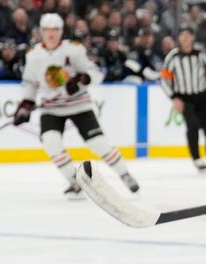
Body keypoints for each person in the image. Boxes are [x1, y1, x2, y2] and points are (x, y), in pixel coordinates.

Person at [13, 14, 140, 198]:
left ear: (61, 31)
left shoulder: (74, 50)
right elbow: (31, 83)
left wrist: (80, 80)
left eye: (55, 30)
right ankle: (74, 180)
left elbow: (95, 73)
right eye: (47, 30)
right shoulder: (33, 56)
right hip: (51, 108)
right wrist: (25, 105)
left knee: (98, 143)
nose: (51, 34)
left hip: (79, 105)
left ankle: (124, 174)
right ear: (41, 32)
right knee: (50, 141)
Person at [160, 26, 206, 172]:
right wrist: (174, 97)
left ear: (192, 38)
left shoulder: (201, 55)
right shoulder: (173, 56)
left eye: (188, 35)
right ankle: (197, 158)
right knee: (192, 127)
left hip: (202, 96)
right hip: (184, 98)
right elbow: (164, 79)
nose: (185, 39)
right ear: (179, 39)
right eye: (182, 36)